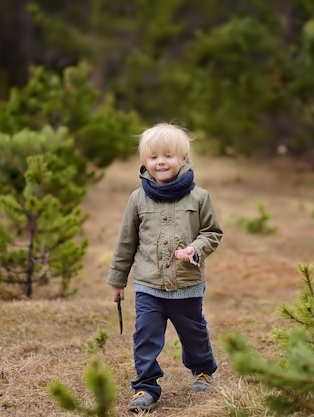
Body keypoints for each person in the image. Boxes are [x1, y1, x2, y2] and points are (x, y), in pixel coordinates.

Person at [106, 122, 223, 413]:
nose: (161, 162)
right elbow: (126, 242)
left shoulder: (199, 197)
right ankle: (146, 386)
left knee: (193, 332)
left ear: (183, 158)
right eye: (154, 156)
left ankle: (203, 370)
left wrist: (194, 249)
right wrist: (118, 280)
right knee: (145, 335)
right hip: (149, 285)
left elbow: (212, 232)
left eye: (168, 155)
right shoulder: (138, 199)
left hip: (187, 284)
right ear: (145, 162)